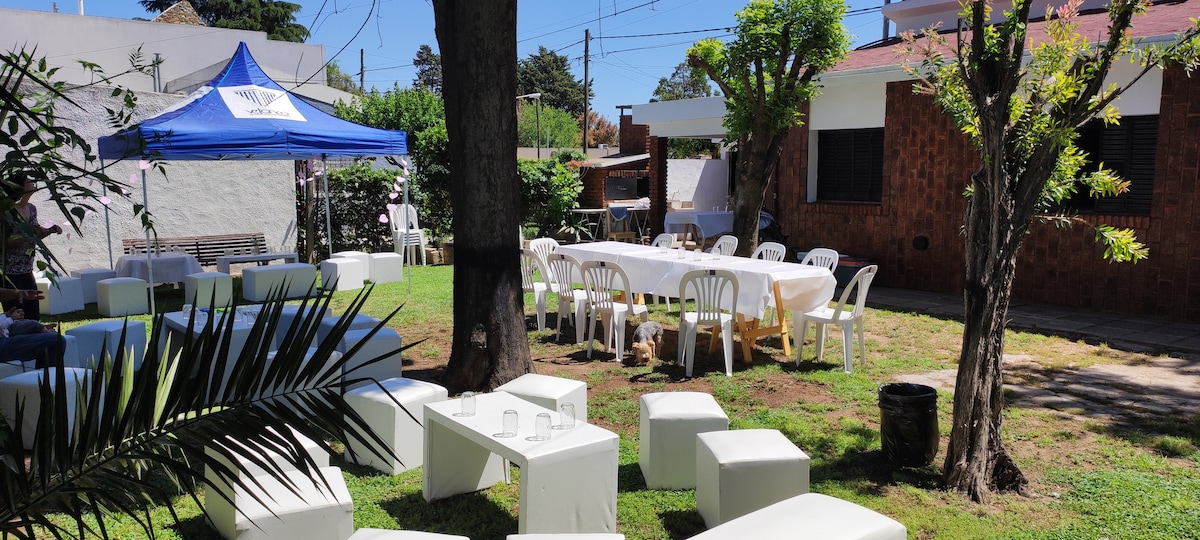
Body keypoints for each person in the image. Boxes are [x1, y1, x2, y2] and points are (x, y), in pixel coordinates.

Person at [2, 173, 63, 320]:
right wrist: (29, 235)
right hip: (10, 272)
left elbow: (35, 235)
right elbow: (5, 241)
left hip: (27, 268)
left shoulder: (32, 209)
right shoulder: (7, 211)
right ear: (20, 187)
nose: (33, 182)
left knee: (33, 313)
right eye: (29, 180)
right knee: (17, 315)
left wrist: (49, 231)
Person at [0, 288, 64, 368]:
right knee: (56, 341)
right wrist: (10, 319)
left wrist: (16, 293)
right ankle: (45, 376)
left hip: (5, 331)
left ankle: (43, 330)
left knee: (33, 325)